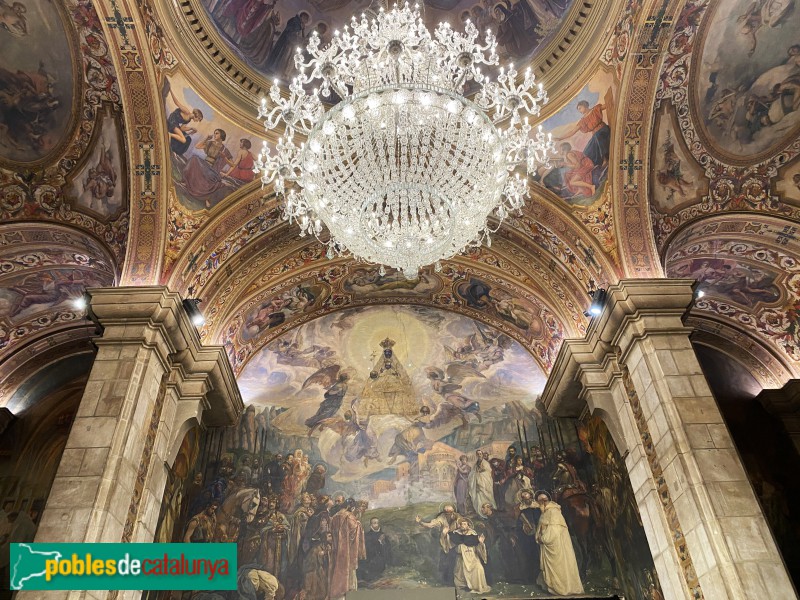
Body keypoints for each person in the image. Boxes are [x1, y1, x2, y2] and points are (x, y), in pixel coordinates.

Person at [536, 491, 583, 595]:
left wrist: (543, 538)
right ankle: (550, 587)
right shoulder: (545, 512)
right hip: (547, 545)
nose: (542, 503)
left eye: (544, 500)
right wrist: (539, 536)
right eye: (540, 501)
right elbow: (541, 527)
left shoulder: (553, 511)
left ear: (548, 500)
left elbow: (554, 530)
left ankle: (560, 588)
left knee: (559, 567)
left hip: (555, 545)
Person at [329, 499, 367, 599]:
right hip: (347, 550)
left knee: (337, 569)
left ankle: (338, 593)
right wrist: (358, 523)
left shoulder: (334, 516)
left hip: (337, 549)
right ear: (350, 507)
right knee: (349, 572)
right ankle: (348, 592)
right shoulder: (349, 516)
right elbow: (353, 530)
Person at [416, 503, 461, 584]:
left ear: (453, 511)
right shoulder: (441, 518)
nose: (449, 514)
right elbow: (430, 525)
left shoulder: (457, 517)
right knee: (445, 562)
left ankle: (456, 580)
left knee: (455, 562)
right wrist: (420, 522)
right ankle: (446, 580)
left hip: (456, 542)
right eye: (446, 512)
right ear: (444, 512)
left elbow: (464, 524)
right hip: (445, 542)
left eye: (450, 512)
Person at [444, 517, 491, 593]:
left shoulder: (473, 533)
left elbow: (478, 547)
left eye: (464, 524)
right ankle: (463, 586)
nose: (462, 525)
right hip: (461, 558)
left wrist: (481, 543)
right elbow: (449, 544)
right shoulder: (455, 533)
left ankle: (476, 586)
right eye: (461, 524)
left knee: (479, 568)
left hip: (472, 557)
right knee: (460, 571)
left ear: (468, 526)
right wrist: (444, 534)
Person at [166, 86, 203, 155]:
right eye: (198, 119)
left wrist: (191, 129)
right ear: (196, 116)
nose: (197, 121)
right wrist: (170, 90)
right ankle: (169, 134)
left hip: (175, 124)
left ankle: (172, 144)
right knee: (183, 140)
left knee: (185, 139)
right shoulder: (186, 111)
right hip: (172, 120)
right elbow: (177, 103)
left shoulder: (188, 120)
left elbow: (182, 128)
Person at [360, 517, 391, 582]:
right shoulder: (367, 536)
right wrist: (379, 541)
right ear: (371, 525)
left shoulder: (383, 534)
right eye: (374, 523)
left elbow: (388, 548)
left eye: (377, 523)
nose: (376, 525)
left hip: (381, 561)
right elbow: (368, 550)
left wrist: (383, 544)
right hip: (371, 561)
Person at [468, 450, 495, 515]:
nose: (479, 455)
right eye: (478, 454)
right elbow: (472, 473)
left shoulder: (486, 463)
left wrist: (481, 472)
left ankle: (489, 512)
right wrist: (475, 474)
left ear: (482, 455)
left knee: (487, 497)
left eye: (480, 454)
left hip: (485, 484)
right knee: (479, 497)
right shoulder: (475, 464)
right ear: (476, 455)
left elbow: (488, 472)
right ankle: (480, 512)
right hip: (477, 483)